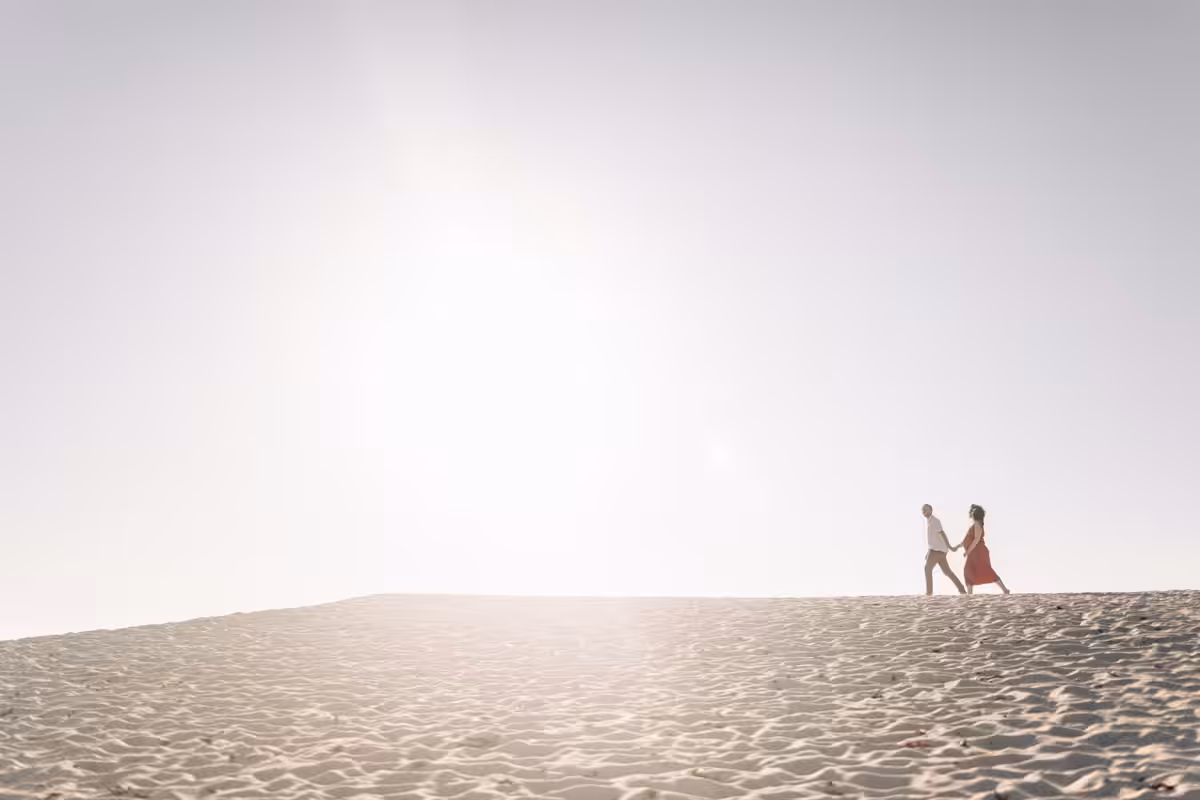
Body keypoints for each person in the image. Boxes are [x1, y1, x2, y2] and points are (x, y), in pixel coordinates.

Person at [960, 504, 1011, 594]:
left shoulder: (977, 524)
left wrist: (967, 551)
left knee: (984, 570)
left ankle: (1004, 590)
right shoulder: (976, 524)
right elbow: (969, 538)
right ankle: (969, 594)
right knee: (969, 570)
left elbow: (976, 540)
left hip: (978, 552)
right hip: (975, 552)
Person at [922, 504, 966, 595]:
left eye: (926, 510)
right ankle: (961, 589)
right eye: (923, 510)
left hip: (936, 551)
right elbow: (933, 538)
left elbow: (942, 534)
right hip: (939, 551)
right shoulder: (930, 522)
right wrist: (928, 551)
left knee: (927, 568)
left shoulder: (935, 521)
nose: (924, 512)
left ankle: (929, 593)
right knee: (947, 572)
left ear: (931, 510)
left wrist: (950, 547)